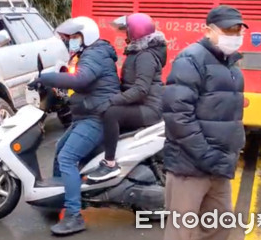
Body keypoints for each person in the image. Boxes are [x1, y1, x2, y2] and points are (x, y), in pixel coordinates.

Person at [28, 16, 120, 236]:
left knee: (68, 157)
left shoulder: (95, 54)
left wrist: (47, 78)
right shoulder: (89, 53)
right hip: (87, 115)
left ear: (85, 36)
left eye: (73, 37)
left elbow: (80, 80)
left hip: (97, 117)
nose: (70, 41)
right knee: (60, 149)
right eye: (68, 38)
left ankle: (74, 215)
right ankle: (59, 200)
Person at [162, 5, 247, 240]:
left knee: (220, 224)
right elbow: (178, 115)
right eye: (228, 30)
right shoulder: (191, 59)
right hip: (190, 166)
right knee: (182, 231)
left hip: (220, 165)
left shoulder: (231, 65)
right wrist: (206, 155)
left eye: (238, 31)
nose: (235, 36)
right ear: (209, 31)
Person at [87, 13, 167, 181]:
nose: (125, 35)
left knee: (111, 113)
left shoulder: (145, 56)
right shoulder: (138, 52)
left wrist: (111, 101)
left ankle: (110, 164)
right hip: (141, 104)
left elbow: (140, 90)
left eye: (127, 32)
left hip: (149, 108)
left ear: (135, 33)